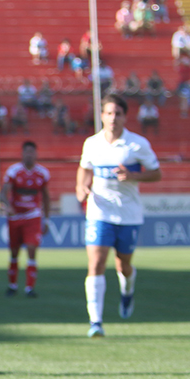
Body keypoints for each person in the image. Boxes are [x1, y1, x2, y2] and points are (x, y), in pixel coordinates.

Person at [75, 94, 161, 338]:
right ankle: (96, 322)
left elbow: (156, 174)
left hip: (128, 214)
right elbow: (84, 168)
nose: (113, 118)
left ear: (125, 116)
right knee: (96, 263)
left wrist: (134, 176)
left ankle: (127, 291)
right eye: (109, 113)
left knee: (123, 265)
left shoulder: (137, 144)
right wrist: (81, 186)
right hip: (99, 211)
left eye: (118, 113)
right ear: (102, 115)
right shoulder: (92, 143)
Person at [2, 141, 50, 298]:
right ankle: (12, 285)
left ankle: (30, 288)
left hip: (33, 216)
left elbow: (46, 197)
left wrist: (47, 220)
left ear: (36, 154)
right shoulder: (14, 171)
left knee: (31, 250)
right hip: (15, 217)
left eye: (32, 152)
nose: (29, 155)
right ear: (22, 153)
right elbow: (3, 192)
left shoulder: (42, 173)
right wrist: (8, 206)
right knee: (14, 252)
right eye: (26, 152)